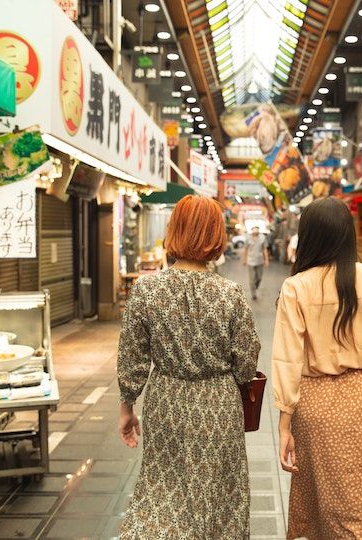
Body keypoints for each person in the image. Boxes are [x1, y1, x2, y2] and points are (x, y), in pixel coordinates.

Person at [271, 197, 362, 540]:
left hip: (316, 409)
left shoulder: (295, 287)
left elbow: (287, 361)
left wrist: (284, 425)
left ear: (308, 237)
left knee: (323, 504)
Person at [117, 195, 260, 539]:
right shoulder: (231, 294)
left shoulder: (146, 290)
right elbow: (245, 364)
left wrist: (126, 409)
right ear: (216, 236)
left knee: (162, 491)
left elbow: (131, 357)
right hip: (218, 407)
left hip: (166, 401)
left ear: (174, 231)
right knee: (218, 495)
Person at [242, 226, 269, 300]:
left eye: (256, 230)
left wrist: (266, 259)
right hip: (250, 261)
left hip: (260, 260)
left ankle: (255, 286)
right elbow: (245, 249)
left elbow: (264, 249)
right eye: (254, 230)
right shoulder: (248, 238)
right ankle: (253, 293)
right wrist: (244, 259)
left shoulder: (262, 238)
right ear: (251, 231)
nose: (255, 231)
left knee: (259, 277)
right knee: (252, 278)